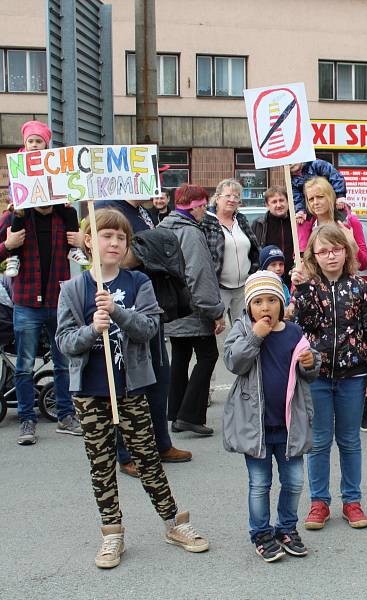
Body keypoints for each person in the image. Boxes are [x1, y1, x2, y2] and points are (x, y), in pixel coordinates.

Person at [55, 208, 208, 569]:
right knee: (102, 464)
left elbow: (149, 329)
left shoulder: (137, 283)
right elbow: (63, 342)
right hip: (91, 393)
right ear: (89, 242)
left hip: (132, 388)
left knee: (148, 459)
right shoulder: (73, 289)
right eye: (106, 236)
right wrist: (93, 327)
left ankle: (173, 524)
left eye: (121, 238)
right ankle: (112, 534)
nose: (114, 243)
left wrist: (117, 312)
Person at [291, 224, 367, 531]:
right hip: (316, 375)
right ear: (314, 256)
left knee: (349, 440)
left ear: (347, 251)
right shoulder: (308, 287)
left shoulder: (360, 287)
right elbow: (306, 324)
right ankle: (319, 502)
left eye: (336, 249)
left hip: (353, 375)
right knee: (319, 442)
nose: (331, 256)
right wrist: (302, 288)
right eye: (323, 251)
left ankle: (352, 500)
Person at [223, 271, 320, 563]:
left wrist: (310, 362)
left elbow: (308, 373)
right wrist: (255, 336)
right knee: (259, 483)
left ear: (281, 301)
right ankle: (261, 533)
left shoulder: (293, 332)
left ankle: (287, 528)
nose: (265, 308)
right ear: (249, 306)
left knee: (294, 481)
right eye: (258, 302)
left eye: (271, 300)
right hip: (258, 428)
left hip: (289, 426)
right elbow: (234, 361)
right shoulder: (242, 329)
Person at [94, 198, 191, 476]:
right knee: (127, 385)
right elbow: (117, 257)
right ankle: (127, 453)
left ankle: (161, 443)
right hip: (121, 304)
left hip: (149, 302)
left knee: (160, 379)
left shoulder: (143, 211)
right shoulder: (107, 207)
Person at [0, 182, 83, 445]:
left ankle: (66, 415)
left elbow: (88, 255)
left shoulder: (64, 217)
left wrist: (82, 243)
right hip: (26, 304)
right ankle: (26, 420)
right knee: (24, 364)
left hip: (58, 302)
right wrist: (8, 243)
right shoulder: (16, 216)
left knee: (64, 362)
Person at [158, 184, 225, 436]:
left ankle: (174, 410)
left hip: (171, 307)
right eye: (203, 206)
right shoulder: (191, 232)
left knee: (180, 356)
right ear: (194, 206)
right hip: (193, 309)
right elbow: (199, 275)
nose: (204, 211)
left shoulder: (163, 227)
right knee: (208, 356)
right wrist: (214, 310)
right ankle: (189, 416)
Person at [4, 120, 89, 278]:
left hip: (49, 200)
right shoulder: (18, 161)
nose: (34, 145)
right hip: (27, 201)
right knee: (17, 217)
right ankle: (14, 256)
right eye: (30, 141)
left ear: (45, 144)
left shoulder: (52, 159)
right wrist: (14, 200)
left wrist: (65, 196)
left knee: (70, 213)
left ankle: (73, 249)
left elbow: (60, 180)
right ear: (25, 142)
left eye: (39, 141)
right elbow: (12, 183)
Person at [201, 178, 261, 328]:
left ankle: (235, 353)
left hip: (243, 287)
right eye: (228, 196)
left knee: (243, 331)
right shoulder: (206, 222)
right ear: (217, 197)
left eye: (236, 197)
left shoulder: (241, 220)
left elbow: (254, 248)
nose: (232, 200)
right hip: (219, 288)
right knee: (215, 330)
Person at [297, 176, 367, 271]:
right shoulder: (305, 227)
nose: (315, 202)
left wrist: (352, 244)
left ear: (330, 196)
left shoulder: (350, 222)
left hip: (346, 283)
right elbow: (300, 264)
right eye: (311, 199)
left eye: (320, 197)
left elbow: (363, 265)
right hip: (316, 284)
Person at [251, 186, 296, 286]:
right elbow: (253, 252)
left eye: (281, 200)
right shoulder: (259, 224)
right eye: (274, 202)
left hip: (294, 277)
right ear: (267, 205)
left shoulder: (296, 222)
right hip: (268, 279)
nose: (279, 205)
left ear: (288, 202)